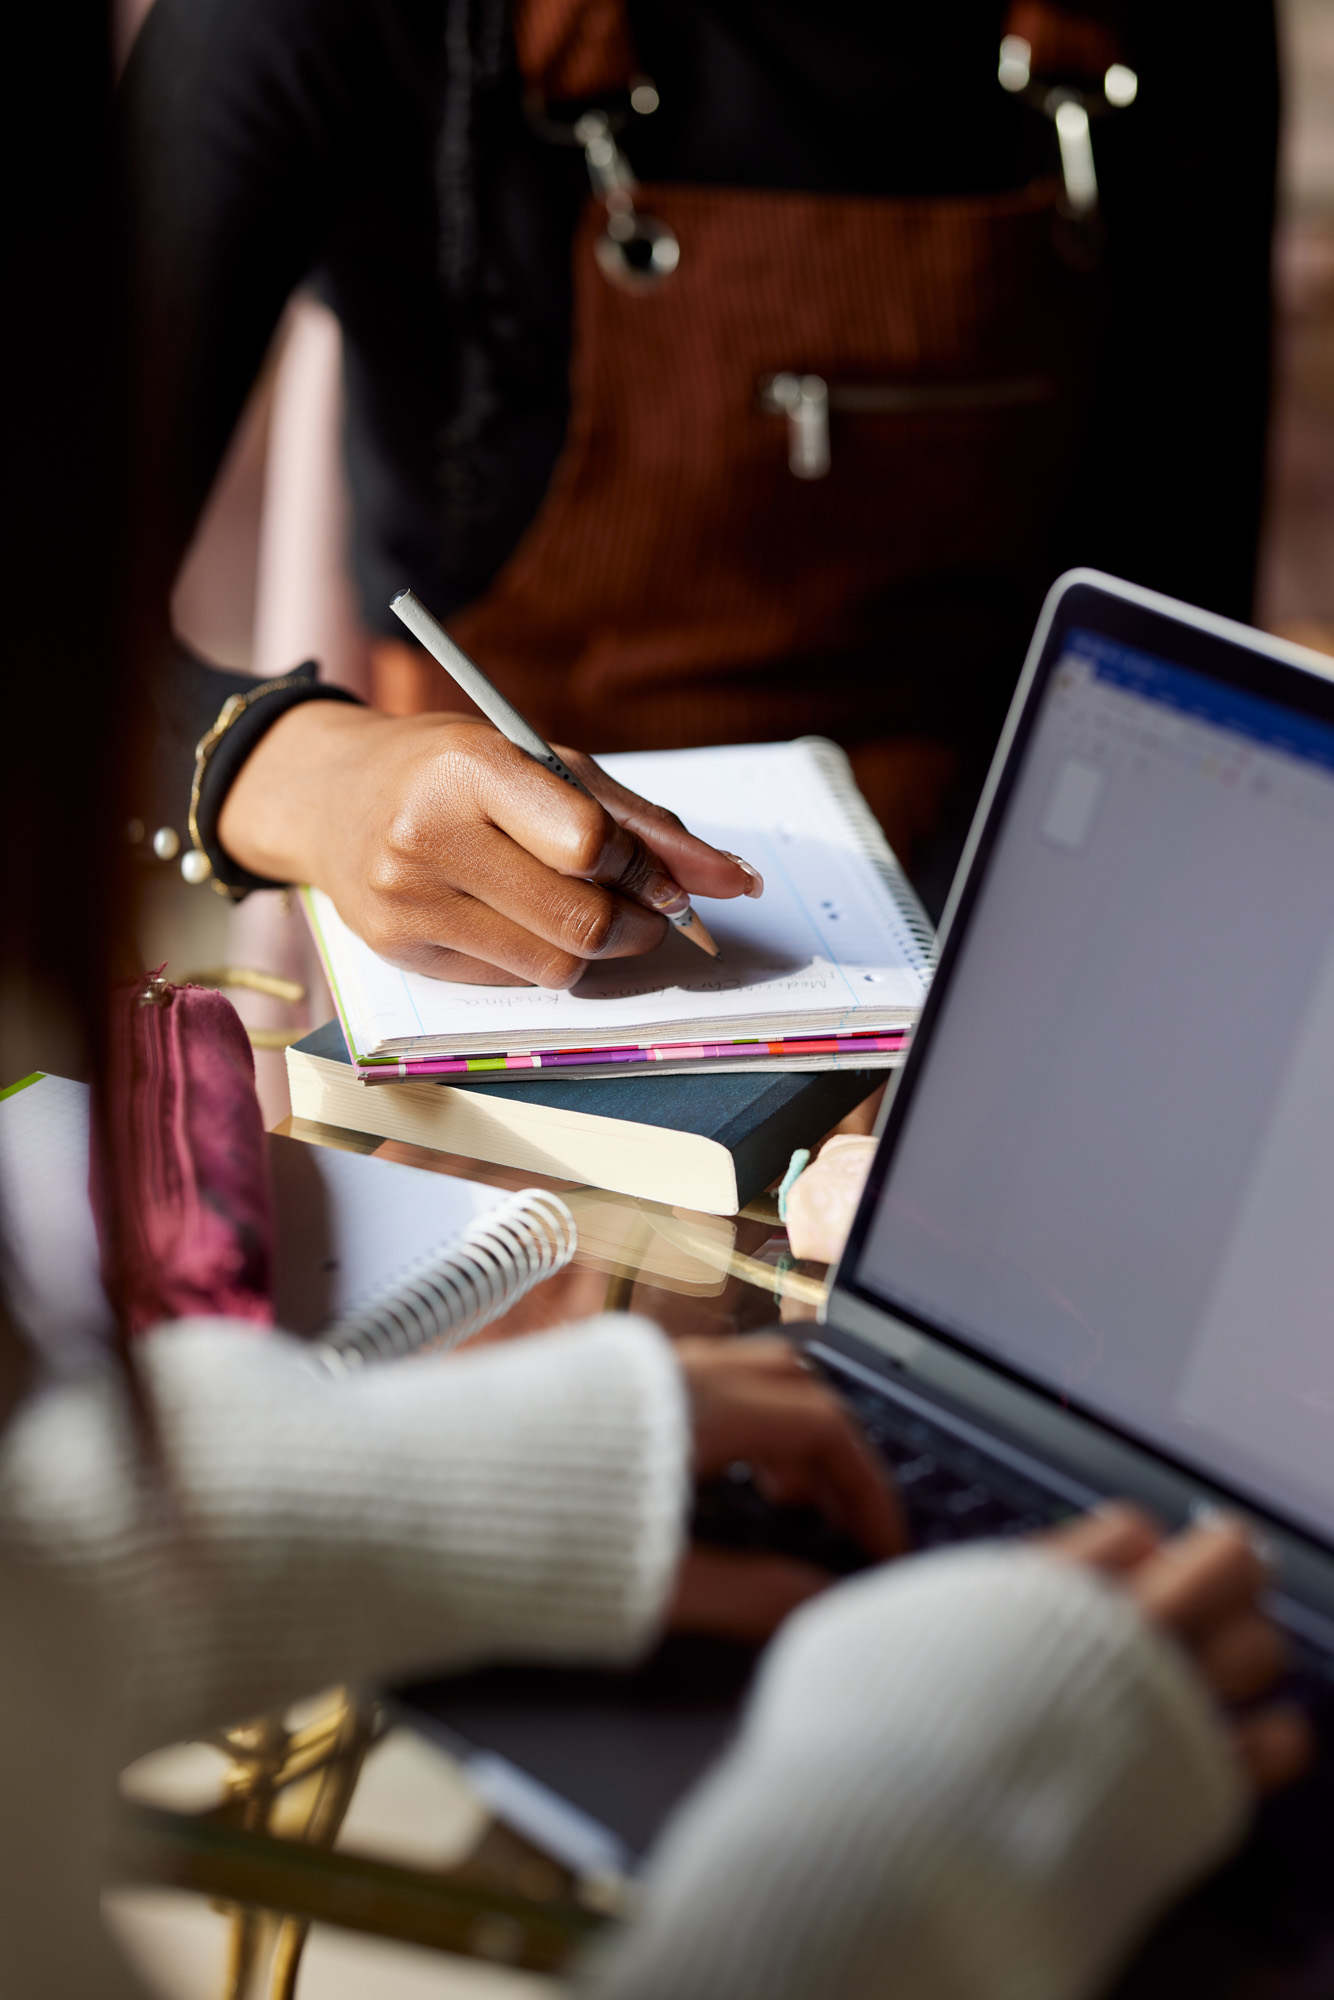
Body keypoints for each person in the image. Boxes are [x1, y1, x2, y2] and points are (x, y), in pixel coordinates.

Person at [121, 0, 1280, 971]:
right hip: (489, 942)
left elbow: (1170, 663)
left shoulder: (1159, 22)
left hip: (996, 926)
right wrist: (310, 776)